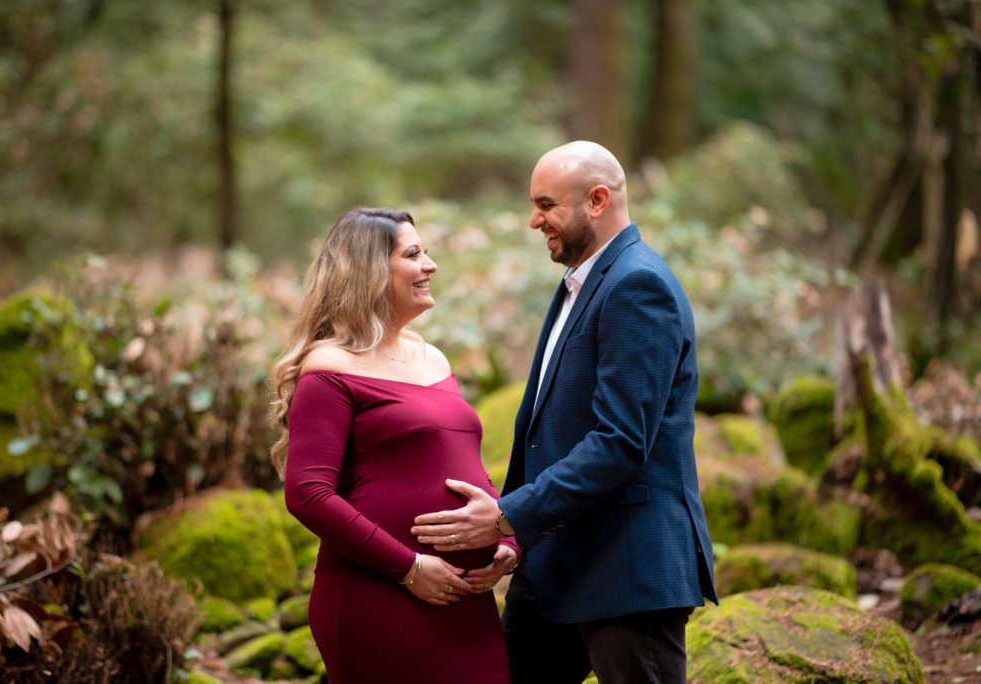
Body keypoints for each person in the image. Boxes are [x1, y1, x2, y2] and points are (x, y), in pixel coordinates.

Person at [411, 142, 718, 683]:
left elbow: (619, 440)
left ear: (597, 200)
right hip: (556, 560)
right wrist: (516, 541)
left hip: (627, 569)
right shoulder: (581, 282)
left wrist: (509, 516)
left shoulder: (637, 285)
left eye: (547, 205)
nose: (535, 220)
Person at [269, 208, 519, 684]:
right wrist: (407, 568)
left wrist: (504, 542)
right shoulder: (330, 366)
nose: (431, 265)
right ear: (367, 271)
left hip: (464, 601)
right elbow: (308, 494)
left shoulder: (433, 357)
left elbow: (466, 469)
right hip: (377, 594)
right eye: (414, 254)